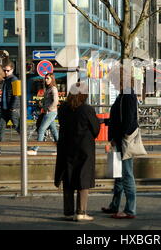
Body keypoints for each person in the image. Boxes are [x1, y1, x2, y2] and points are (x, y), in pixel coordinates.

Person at [54, 82, 100, 221]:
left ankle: (68, 212)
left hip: (66, 147)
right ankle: (81, 212)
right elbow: (96, 130)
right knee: (82, 178)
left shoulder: (63, 108)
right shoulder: (87, 109)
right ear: (84, 95)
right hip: (83, 148)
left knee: (68, 178)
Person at [102, 69, 138, 219]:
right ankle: (115, 205)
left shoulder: (127, 95)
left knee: (127, 174)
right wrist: (106, 122)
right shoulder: (124, 95)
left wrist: (118, 138)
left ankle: (130, 210)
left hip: (123, 141)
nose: (113, 83)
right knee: (118, 174)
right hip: (119, 139)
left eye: (114, 80)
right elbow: (121, 119)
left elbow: (127, 121)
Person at [0, 61, 20, 155]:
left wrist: (13, 108)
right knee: (0, 128)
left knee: (18, 127)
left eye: (8, 70)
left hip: (12, 109)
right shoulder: (6, 80)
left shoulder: (15, 80)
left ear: (12, 70)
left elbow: (17, 95)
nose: (6, 72)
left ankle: (28, 146)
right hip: (4, 109)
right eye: (4, 70)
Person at [29, 73, 59, 155]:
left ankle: (35, 149)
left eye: (47, 78)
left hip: (50, 112)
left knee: (41, 130)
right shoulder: (49, 89)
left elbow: (56, 101)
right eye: (45, 78)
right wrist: (41, 103)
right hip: (49, 112)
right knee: (54, 131)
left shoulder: (53, 88)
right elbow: (47, 100)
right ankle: (61, 149)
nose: (46, 80)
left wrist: (49, 108)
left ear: (52, 79)